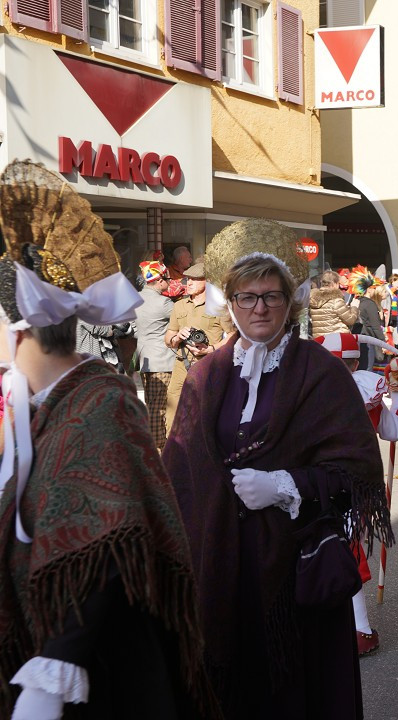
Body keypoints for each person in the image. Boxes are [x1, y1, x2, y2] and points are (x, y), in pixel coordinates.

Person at [0, 160, 213, 719]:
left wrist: (54, 669)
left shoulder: (101, 403)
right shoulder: (28, 406)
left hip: (97, 674)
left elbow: (106, 540)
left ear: (18, 323)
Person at [163, 219, 392, 719]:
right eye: (247, 297)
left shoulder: (320, 371)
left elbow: (357, 472)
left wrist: (286, 485)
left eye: (271, 295)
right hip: (224, 566)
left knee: (297, 695)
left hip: (297, 571)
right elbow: (180, 470)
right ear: (231, 304)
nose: (260, 307)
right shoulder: (205, 375)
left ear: (291, 301)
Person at [314, 333, 398, 657]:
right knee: (346, 551)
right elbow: (394, 430)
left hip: (310, 487)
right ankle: (358, 629)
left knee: (326, 553)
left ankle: (354, 628)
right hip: (355, 487)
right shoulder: (367, 390)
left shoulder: (307, 392)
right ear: (358, 362)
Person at [164, 261, 225, 436]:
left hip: (208, 366)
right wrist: (177, 337)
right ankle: (172, 448)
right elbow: (168, 337)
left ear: (207, 282)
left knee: (205, 411)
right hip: (181, 365)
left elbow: (234, 338)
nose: (188, 283)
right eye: (187, 279)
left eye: (194, 280)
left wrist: (210, 349)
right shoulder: (179, 305)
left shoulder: (219, 306)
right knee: (173, 407)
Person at [135, 259, 176, 449]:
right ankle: (159, 448)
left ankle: (154, 445)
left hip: (146, 359)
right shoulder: (164, 303)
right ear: (159, 281)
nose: (168, 281)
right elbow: (181, 318)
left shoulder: (135, 299)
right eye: (167, 278)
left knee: (151, 404)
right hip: (164, 360)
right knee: (161, 407)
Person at [309, 269, 359, 337]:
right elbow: (350, 320)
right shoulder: (336, 301)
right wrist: (354, 307)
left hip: (320, 339)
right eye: (338, 283)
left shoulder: (313, 300)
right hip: (337, 339)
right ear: (334, 284)